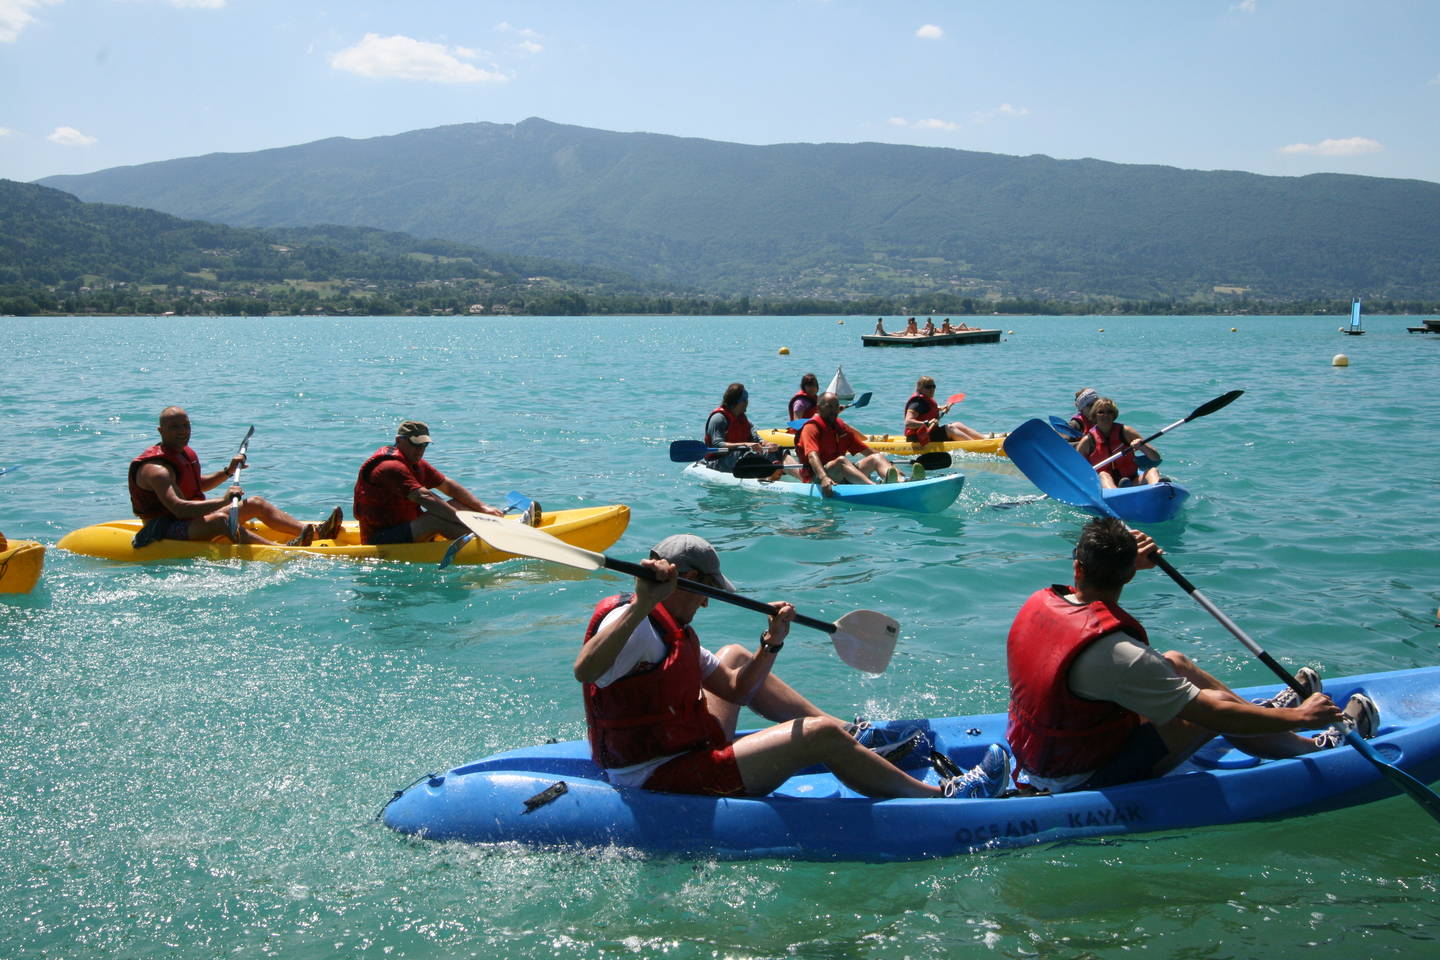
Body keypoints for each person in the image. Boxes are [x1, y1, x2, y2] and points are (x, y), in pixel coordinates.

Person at [574, 534, 1010, 799]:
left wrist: (772, 642)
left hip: (685, 748)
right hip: (656, 777)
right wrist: (641, 603)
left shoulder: (676, 627)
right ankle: (940, 796)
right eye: (708, 591)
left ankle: (857, 735)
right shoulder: (631, 623)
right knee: (815, 735)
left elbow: (736, 688)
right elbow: (587, 670)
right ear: (692, 583)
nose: (709, 601)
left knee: (735, 655)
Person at [1005, 517, 1379, 795]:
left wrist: (1125, 557)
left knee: (1176, 662)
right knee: (1213, 708)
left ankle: (1265, 713)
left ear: (1077, 568)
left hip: (1040, 749)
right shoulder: (1122, 656)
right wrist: (1301, 715)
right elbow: (1210, 713)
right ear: (1130, 575)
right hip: (1075, 775)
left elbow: (1094, 594)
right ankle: (1313, 741)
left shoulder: (1042, 602)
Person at [128, 406, 342, 548]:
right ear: (160, 430)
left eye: (186, 425)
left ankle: (314, 533)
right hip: (166, 527)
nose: (182, 431)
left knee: (256, 503)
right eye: (174, 427)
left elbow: (195, 486)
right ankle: (281, 550)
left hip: (190, 519)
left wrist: (228, 472)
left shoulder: (183, 453)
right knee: (223, 520)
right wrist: (223, 501)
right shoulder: (156, 470)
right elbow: (178, 507)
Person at [352, 420, 531, 545]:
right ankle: (494, 539)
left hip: (406, 525)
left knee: (460, 504)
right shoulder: (390, 467)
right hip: (381, 538)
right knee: (435, 521)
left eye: (424, 445)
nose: (420, 450)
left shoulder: (414, 462)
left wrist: (481, 508)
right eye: (416, 444)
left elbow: (446, 485)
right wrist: (464, 520)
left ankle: (496, 527)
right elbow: (425, 498)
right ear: (399, 441)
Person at [797, 393, 899, 491]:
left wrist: (893, 468)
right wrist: (824, 478)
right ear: (819, 408)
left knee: (877, 457)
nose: (834, 410)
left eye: (836, 406)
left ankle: (901, 481)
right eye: (830, 407)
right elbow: (812, 456)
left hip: (841, 475)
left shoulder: (841, 428)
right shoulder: (811, 428)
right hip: (819, 478)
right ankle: (875, 488)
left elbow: (867, 451)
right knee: (841, 461)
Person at [1073, 397, 1162, 487]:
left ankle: (1160, 489)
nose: (1105, 415)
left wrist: (1143, 446)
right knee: (1103, 474)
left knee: (1153, 471)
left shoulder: (1126, 432)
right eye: (1101, 412)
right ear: (1094, 415)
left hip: (1132, 481)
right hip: (1104, 486)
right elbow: (1077, 470)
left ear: (1114, 415)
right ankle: (1117, 495)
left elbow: (1155, 458)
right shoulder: (1088, 441)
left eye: (1109, 412)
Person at [704, 383, 781, 474]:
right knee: (744, 451)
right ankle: (768, 474)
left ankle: (792, 474)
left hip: (739, 457)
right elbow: (717, 444)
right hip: (717, 462)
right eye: (744, 400)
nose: (747, 403)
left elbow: (755, 438)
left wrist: (766, 444)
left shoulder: (742, 419)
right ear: (736, 402)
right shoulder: (719, 418)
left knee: (778, 451)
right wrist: (745, 444)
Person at [902, 376, 988, 444]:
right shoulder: (916, 403)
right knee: (950, 428)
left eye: (933, 386)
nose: (932, 389)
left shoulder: (925, 400)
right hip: (918, 438)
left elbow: (927, 410)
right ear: (920, 388)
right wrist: (926, 423)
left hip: (930, 433)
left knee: (957, 424)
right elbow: (908, 422)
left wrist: (941, 408)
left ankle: (985, 440)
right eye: (928, 387)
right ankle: (976, 446)